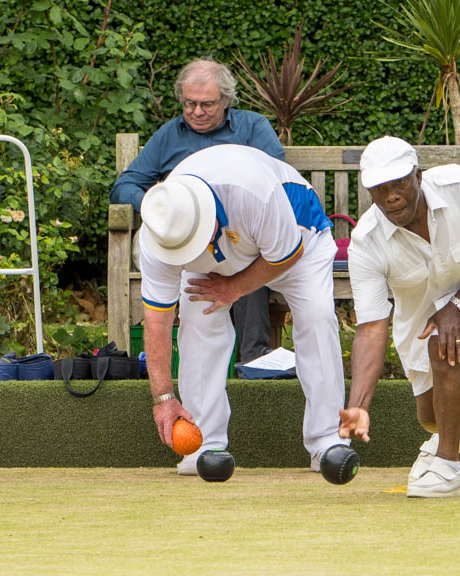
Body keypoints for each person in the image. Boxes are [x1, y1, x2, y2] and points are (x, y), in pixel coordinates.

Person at [139, 143, 353, 475]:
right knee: (197, 320)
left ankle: (327, 441)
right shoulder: (161, 232)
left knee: (316, 317)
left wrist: (233, 287)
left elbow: (286, 256)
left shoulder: (253, 192)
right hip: (229, 248)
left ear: (207, 219)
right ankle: (204, 444)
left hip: (298, 239)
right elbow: (156, 322)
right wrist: (163, 399)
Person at [338, 136, 460, 497]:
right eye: (380, 188)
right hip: (419, 302)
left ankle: (449, 468)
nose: (391, 195)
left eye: (399, 183)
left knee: (445, 343)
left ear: (418, 177)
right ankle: (451, 432)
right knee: (429, 415)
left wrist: (459, 307)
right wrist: (358, 406)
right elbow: (372, 329)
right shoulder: (366, 243)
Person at [111, 58, 284, 365]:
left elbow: (277, 181)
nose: (196, 112)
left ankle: (254, 361)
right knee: (184, 262)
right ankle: (195, 367)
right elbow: (124, 186)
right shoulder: (170, 134)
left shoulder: (252, 128)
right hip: (182, 239)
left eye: (207, 104)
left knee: (248, 258)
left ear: (227, 101)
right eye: (189, 103)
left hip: (237, 234)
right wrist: (161, 204)